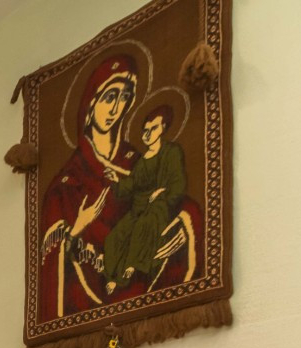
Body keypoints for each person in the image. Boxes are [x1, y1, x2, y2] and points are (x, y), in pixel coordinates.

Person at [36, 55, 202, 323]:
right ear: (91, 104)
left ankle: (130, 270)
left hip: (141, 267)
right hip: (89, 290)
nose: (115, 108)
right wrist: (77, 228)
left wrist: (175, 230)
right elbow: (52, 258)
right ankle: (118, 275)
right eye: (109, 97)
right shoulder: (68, 182)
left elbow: (175, 199)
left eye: (124, 97)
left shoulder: (137, 161)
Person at [102, 105, 186, 290]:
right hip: (138, 207)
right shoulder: (142, 159)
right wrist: (116, 181)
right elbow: (133, 183)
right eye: (145, 130)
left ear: (163, 128)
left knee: (143, 226)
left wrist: (162, 193)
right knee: (115, 236)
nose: (147, 134)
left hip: (158, 206)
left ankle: (131, 267)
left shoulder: (171, 152)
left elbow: (178, 183)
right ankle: (112, 276)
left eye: (153, 129)